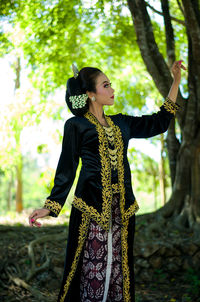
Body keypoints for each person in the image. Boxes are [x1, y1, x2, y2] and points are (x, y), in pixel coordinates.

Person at [29, 60, 185, 302]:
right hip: (91, 211)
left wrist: (175, 81)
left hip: (122, 211)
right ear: (91, 94)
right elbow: (66, 169)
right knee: (91, 271)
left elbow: (160, 122)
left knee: (118, 273)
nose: (112, 89)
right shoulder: (76, 126)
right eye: (106, 85)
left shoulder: (122, 123)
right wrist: (49, 207)